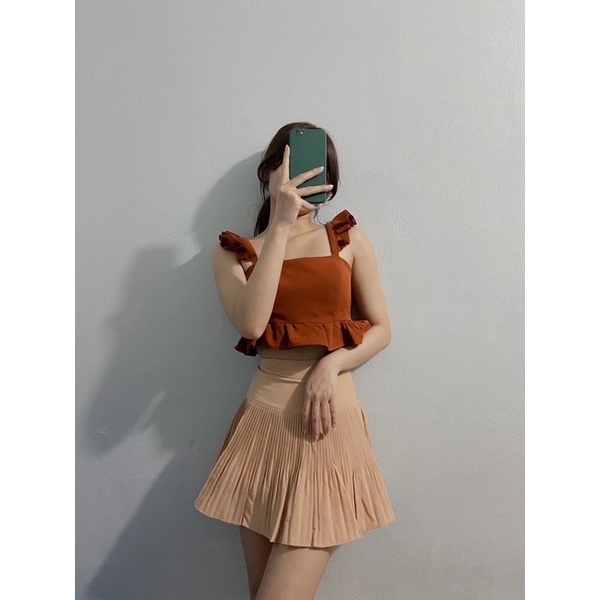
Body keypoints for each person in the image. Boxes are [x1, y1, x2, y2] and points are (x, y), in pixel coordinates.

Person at [194, 122, 395, 600]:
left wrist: (331, 365)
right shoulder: (234, 254)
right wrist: (281, 227)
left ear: (329, 181)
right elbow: (251, 324)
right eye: (291, 168)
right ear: (269, 174)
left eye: (315, 170)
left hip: (327, 424)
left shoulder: (347, 239)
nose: (302, 180)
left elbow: (382, 329)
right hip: (261, 428)